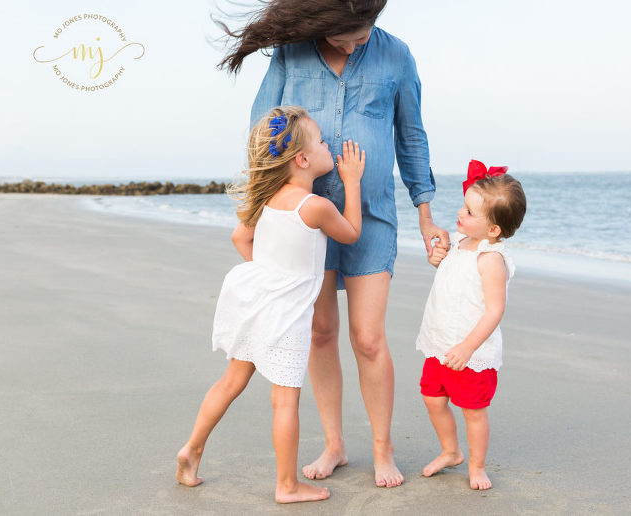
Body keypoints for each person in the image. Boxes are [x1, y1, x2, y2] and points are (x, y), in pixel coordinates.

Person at [217, 0, 449, 488]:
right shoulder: (292, 53)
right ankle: (334, 444)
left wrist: (426, 216)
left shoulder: (397, 56)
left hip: (372, 215)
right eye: (345, 37)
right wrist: (252, 214)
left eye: (363, 36)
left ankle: (382, 449)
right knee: (321, 332)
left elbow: (411, 137)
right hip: (305, 223)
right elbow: (263, 131)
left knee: (368, 338)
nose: (354, 45)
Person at [176, 106, 365, 503]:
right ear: (303, 160)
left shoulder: (267, 199)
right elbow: (350, 233)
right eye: (321, 142)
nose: (328, 146)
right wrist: (351, 180)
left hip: (255, 301)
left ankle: (191, 449)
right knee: (285, 399)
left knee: (231, 381)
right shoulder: (314, 206)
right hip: (287, 316)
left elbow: (240, 238)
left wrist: (271, 276)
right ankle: (287, 485)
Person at [416, 161, 526, 490]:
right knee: (433, 398)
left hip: (470, 351)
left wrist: (468, 347)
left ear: (493, 230)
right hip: (440, 342)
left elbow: (494, 310)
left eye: (469, 212)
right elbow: (453, 279)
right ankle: (451, 451)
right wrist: (436, 259)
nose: (460, 213)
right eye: (463, 206)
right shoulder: (460, 243)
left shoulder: (491, 259)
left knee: (473, 411)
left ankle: (477, 465)